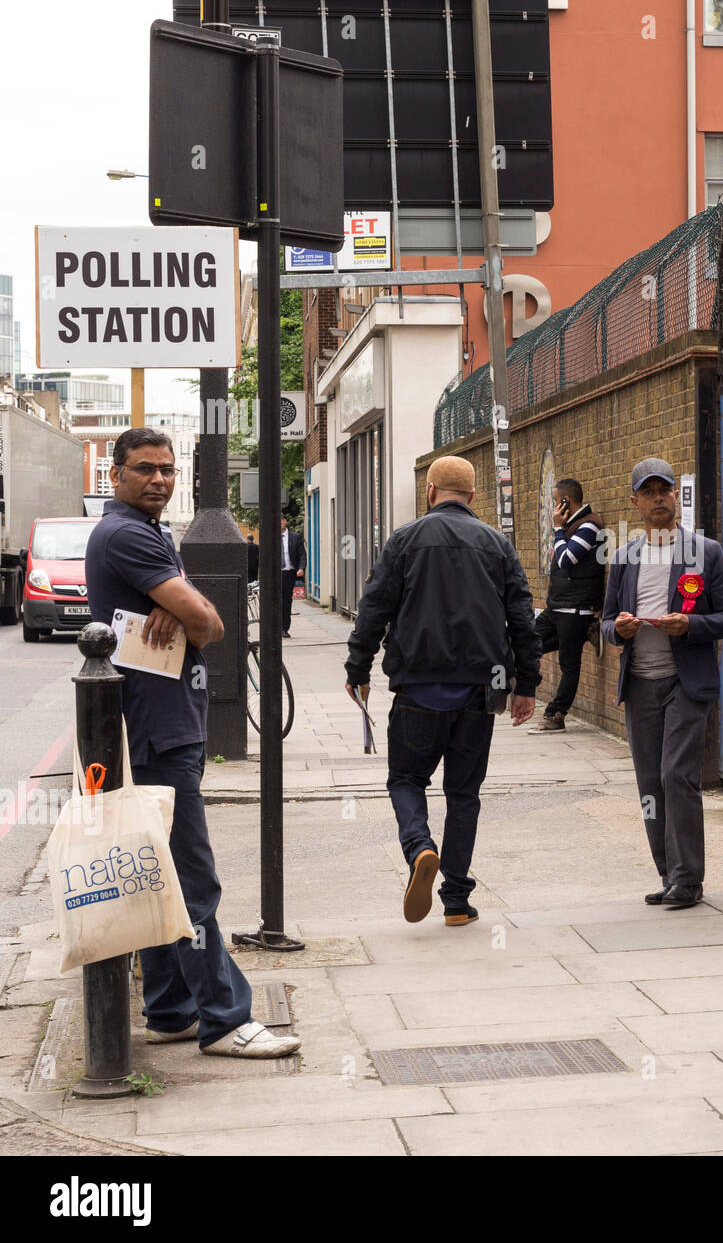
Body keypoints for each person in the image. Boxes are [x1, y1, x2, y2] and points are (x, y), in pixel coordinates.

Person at [86, 427, 299, 1059]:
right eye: (145, 469)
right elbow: (211, 623)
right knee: (190, 881)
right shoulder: (126, 534)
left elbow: (195, 618)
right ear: (117, 475)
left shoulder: (150, 533)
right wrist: (189, 612)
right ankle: (226, 1019)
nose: (159, 479)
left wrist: (179, 609)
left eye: (168, 470)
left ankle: (170, 1008)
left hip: (161, 724)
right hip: (156, 729)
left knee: (158, 872)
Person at [344, 455, 542, 927]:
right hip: (480, 690)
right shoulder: (498, 545)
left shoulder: (404, 541)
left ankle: (420, 847)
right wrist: (527, 685)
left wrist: (358, 667)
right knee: (464, 793)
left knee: (406, 780)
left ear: (429, 490)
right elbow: (523, 619)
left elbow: (374, 608)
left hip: (417, 689)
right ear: (473, 497)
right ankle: (455, 900)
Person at [602, 457, 723, 909]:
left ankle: (688, 879)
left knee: (676, 775)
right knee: (650, 784)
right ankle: (667, 873)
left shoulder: (707, 553)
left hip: (686, 683)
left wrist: (691, 625)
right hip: (640, 685)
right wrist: (618, 629)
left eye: (665, 490)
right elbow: (603, 622)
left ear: (675, 499)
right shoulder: (623, 558)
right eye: (649, 491)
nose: (659, 498)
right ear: (635, 501)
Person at [532, 477, 604, 733]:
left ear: (566, 501)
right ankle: (586, 633)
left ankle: (556, 715)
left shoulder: (590, 526)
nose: (553, 507)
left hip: (575, 608)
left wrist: (558, 529)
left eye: (555, 501)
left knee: (569, 665)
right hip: (558, 607)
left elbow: (566, 558)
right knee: (526, 644)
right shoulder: (576, 524)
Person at [279, 515, 306, 636]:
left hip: (289, 573)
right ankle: (276, 627)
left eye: (280, 521)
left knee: (286, 600)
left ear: (285, 521)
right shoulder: (271, 537)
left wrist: (301, 568)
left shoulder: (295, 537)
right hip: (275, 574)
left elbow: (302, 555)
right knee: (276, 601)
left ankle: (284, 628)